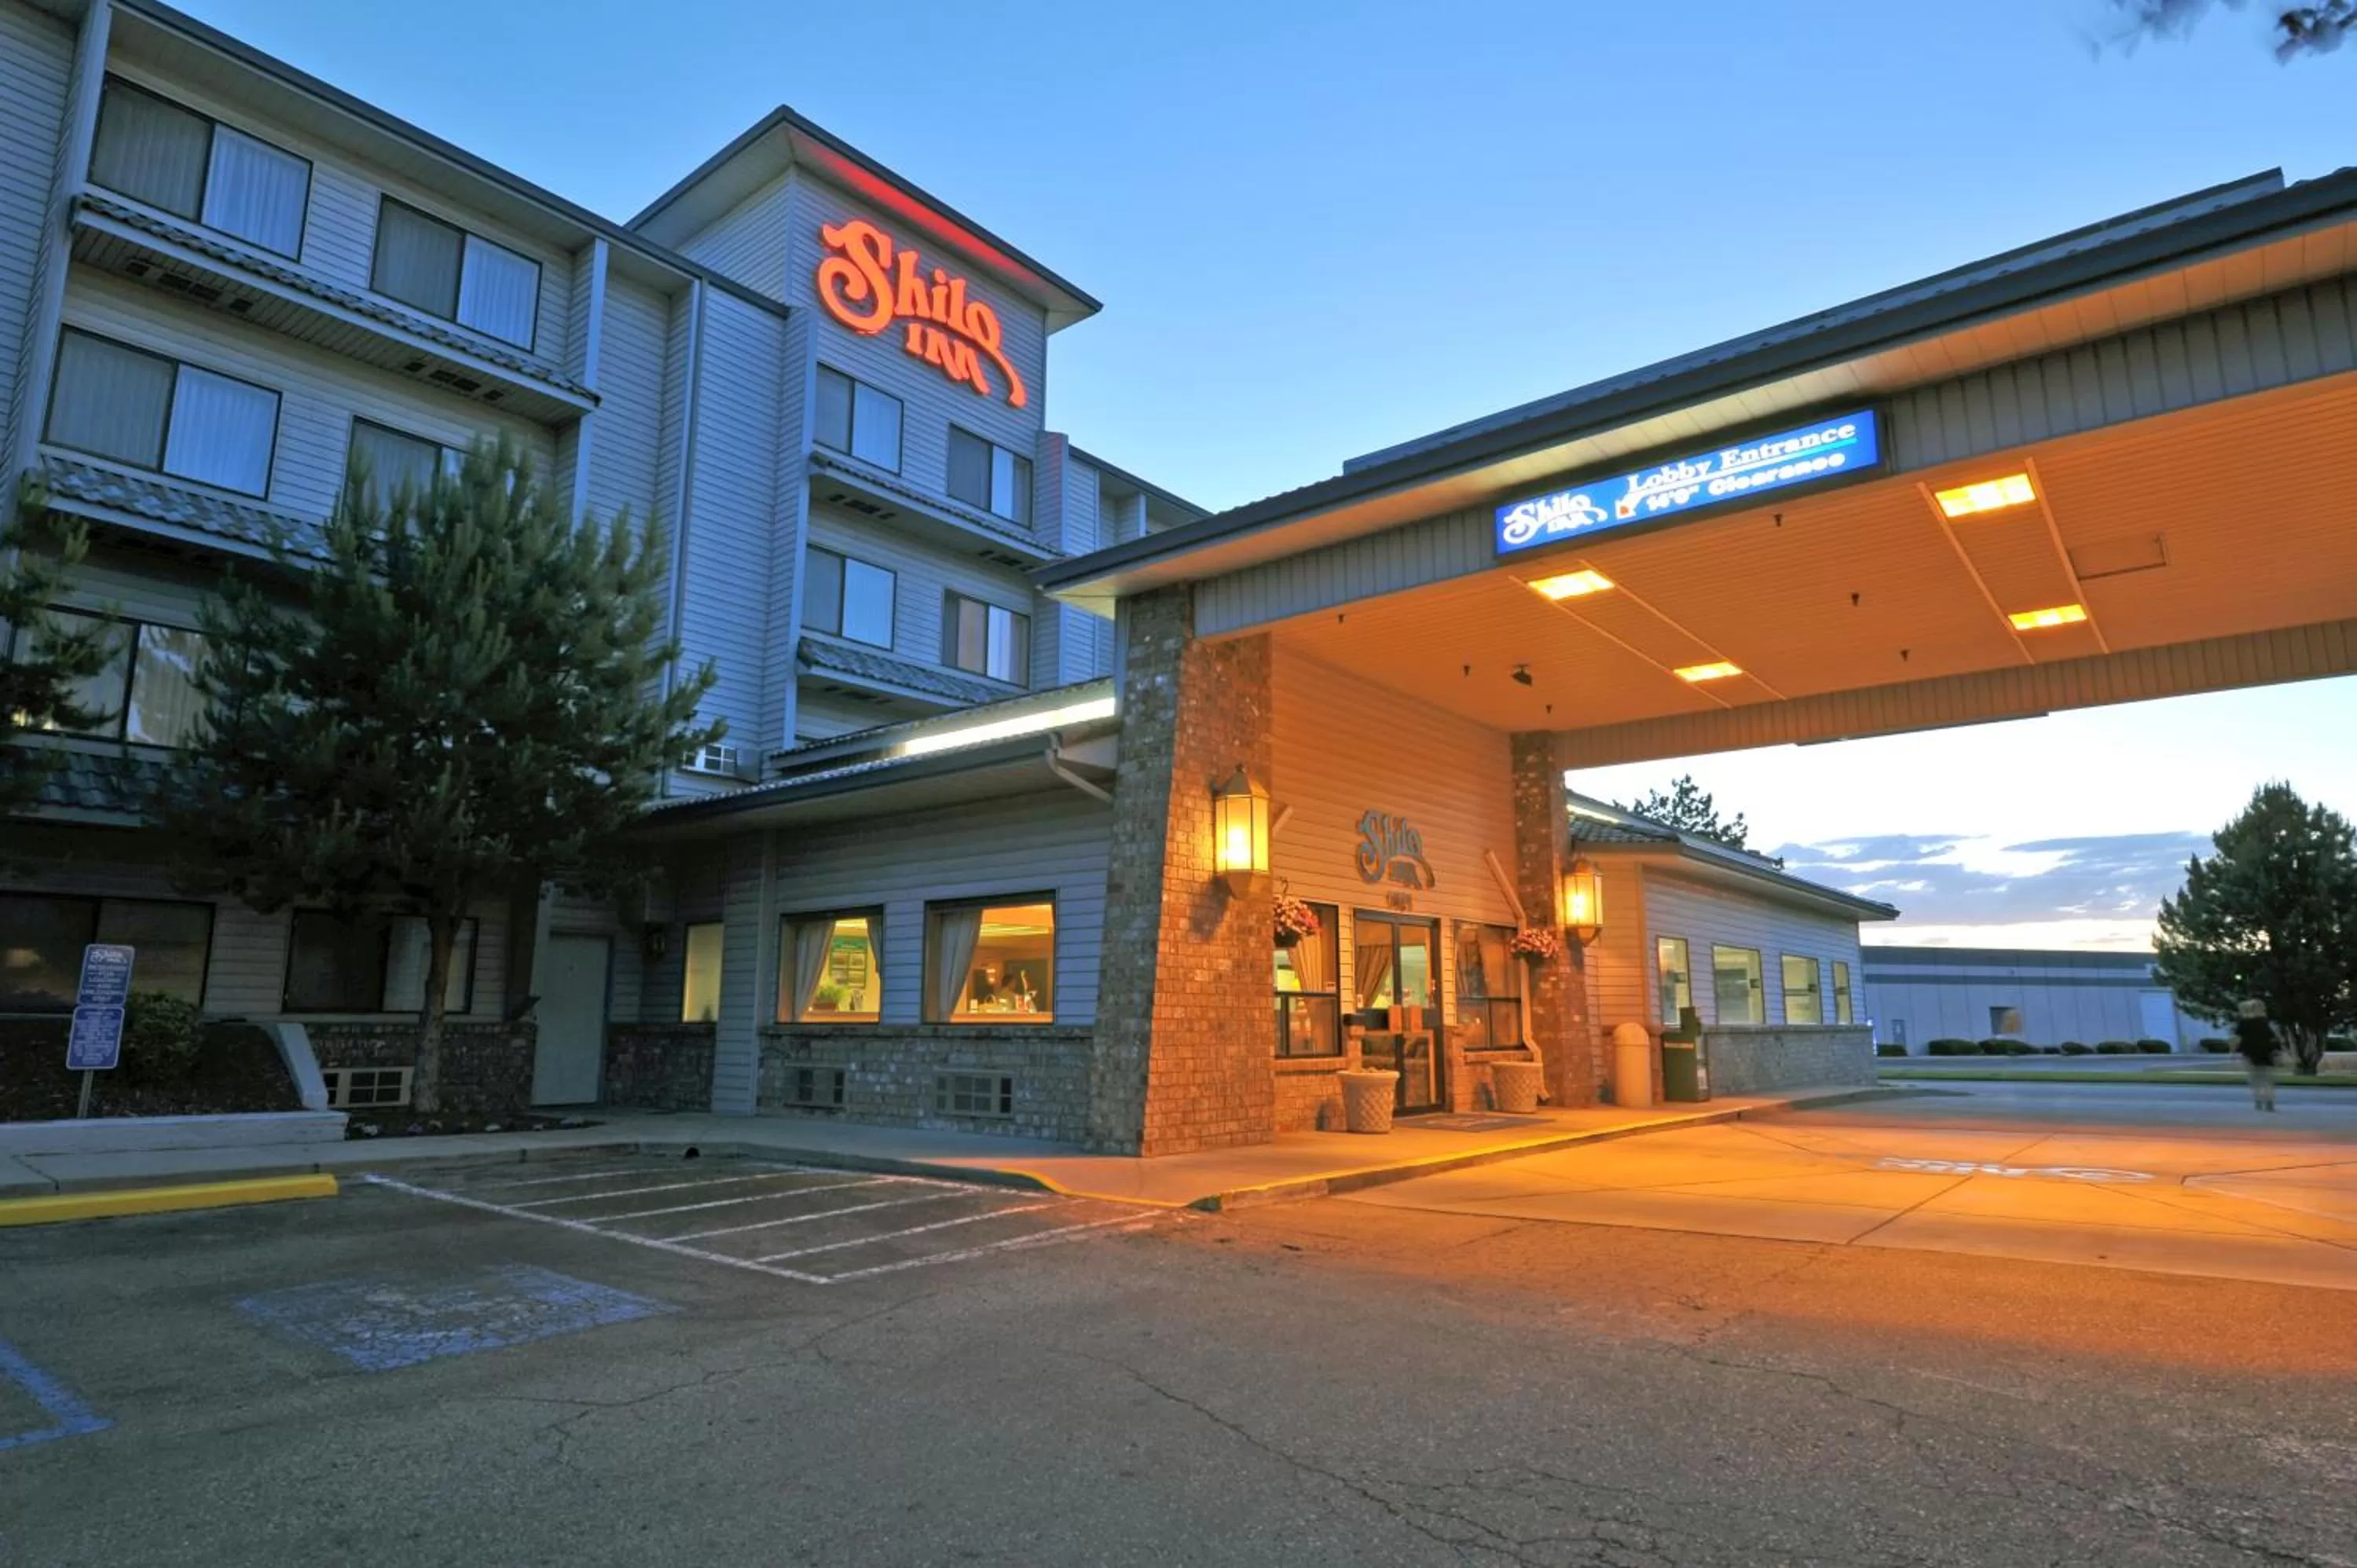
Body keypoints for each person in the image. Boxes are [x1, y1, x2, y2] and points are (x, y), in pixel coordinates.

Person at [2234, 998, 2278, 1112]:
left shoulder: (2244, 1023)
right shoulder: (2266, 1023)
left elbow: (2237, 1039)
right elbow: (2274, 1039)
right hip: (2266, 1054)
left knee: (2255, 1080)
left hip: (2249, 1054)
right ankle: (2269, 1102)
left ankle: (2258, 1101)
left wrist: (2233, 1051)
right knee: (2267, 1080)